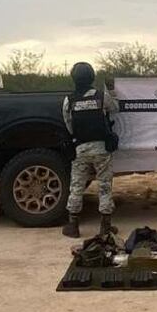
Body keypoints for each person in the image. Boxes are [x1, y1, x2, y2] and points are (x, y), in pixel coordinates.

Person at [61, 61, 119, 238]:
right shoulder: (102, 96)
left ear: (74, 78)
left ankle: (73, 225)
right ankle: (105, 226)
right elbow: (115, 108)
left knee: (77, 186)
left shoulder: (69, 100)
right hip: (101, 148)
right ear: (92, 77)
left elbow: (68, 124)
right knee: (104, 186)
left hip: (81, 149)